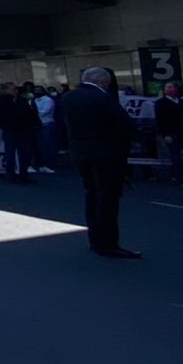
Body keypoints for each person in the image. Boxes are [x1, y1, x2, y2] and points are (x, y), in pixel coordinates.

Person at [64, 66, 140, 258]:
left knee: (91, 194)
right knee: (108, 197)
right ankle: (108, 243)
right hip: (106, 152)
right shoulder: (103, 97)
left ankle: (95, 239)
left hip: (80, 150)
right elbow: (124, 124)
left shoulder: (69, 97)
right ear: (104, 82)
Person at [0, 82, 35, 184]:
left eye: (16, 89)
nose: (16, 91)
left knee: (25, 153)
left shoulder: (22, 100)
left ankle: (24, 174)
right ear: (5, 90)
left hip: (23, 130)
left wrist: (30, 126)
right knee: (10, 153)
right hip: (10, 130)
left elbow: (30, 114)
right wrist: (4, 127)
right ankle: (11, 175)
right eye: (13, 89)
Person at [154, 81, 183, 187]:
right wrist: (165, 134)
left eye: (172, 87)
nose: (170, 89)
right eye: (167, 87)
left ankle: (181, 172)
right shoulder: (161, 103)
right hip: (172, 133)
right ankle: (179, 177)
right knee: (175, 155)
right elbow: (160, 120)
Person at [33, 85, 57, 173]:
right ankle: (43, 162)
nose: (37, 92)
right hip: (37, 125)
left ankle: (51, 162)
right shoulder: (33, 100)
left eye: (39, 90)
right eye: (36, 90)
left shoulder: (48, 100)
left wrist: (34, 113)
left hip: (48, 124)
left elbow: (45, 112)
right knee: (41, 145)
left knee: (49, 144)